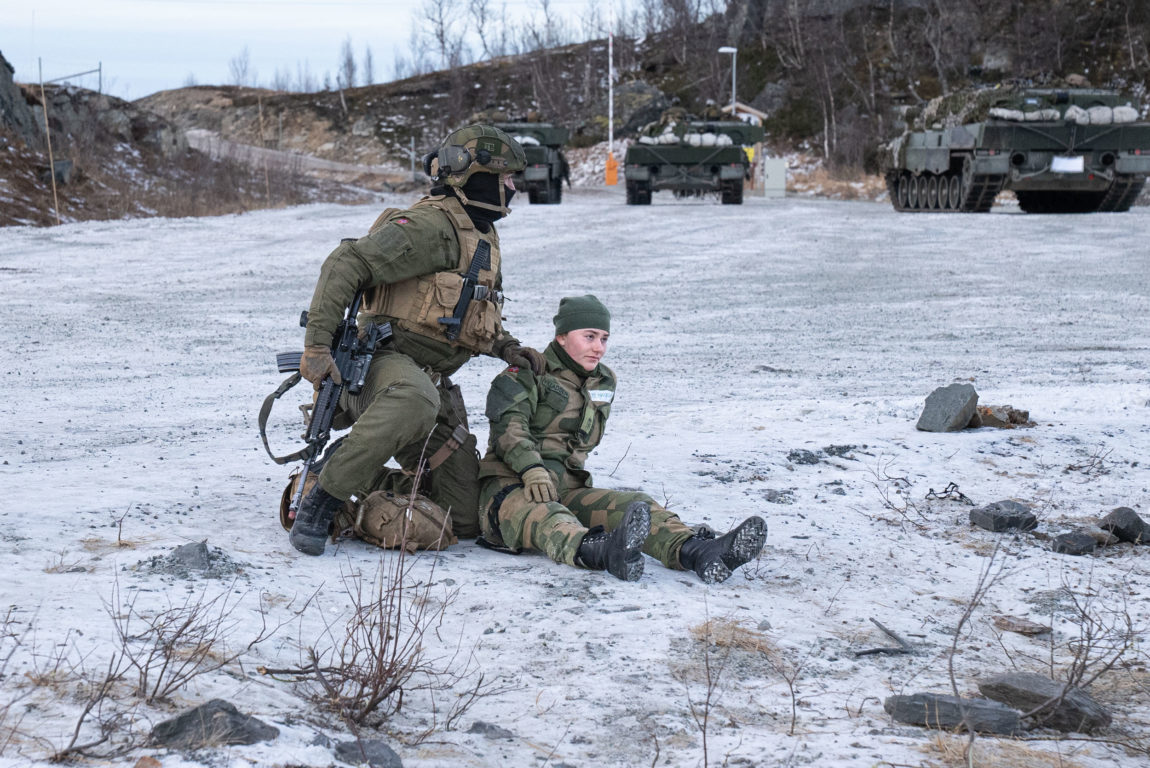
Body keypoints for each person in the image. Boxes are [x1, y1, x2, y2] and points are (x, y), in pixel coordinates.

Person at [289, 124, 546, 556]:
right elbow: (345, 262)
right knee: (415, 399)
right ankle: (322, 501)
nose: (513, 187)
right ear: (474, 176)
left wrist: (506, 346)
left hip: (427, 381)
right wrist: (316, 347)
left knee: (460, 518)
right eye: (505, 179)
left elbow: (472, 312)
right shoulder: (430, 225)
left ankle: (349, 467)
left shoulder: (480, 233)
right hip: (379, 370)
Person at [476, 295, 767, 583]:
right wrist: (532, 469)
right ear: (562, 336)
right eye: (589, 336)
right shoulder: (527, 373)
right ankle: (603, 552)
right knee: (548, 516)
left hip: (567, 489)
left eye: (604, 338)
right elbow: (509, 430)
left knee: (636, 505)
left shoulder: (603, 380)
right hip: (511, 490)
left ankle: (699, 553)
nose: (598, 348)